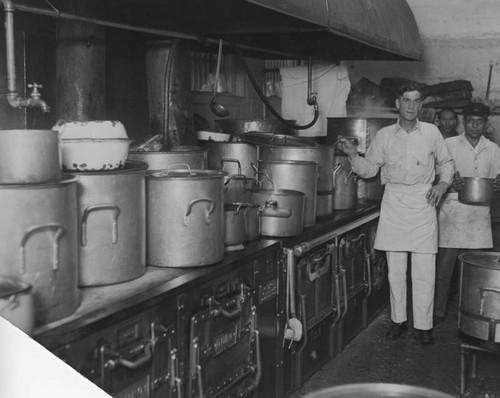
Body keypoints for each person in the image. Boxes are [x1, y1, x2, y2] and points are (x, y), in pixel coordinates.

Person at [338, 82, 455, 345]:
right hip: (394, 201)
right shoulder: (385, 136)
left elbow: (447, 163)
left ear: (421, 105)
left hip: (423, 201)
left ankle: (424, 327)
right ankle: (398, 321)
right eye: (407, 100)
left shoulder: (432, 133)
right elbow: (369, 169)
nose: (412, 106)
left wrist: (442, 184)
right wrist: (352, 154)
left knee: (425, 270)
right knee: (395, 270)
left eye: (416, 101)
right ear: (397, 104)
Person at [434, 103, 500, 324]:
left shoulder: (493, 149)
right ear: (463, 122)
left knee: (475, 269)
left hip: (479, 214)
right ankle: (438, 311)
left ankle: (470, 313)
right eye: (470, 120)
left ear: (486, 124)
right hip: (452, 211)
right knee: (445, 268)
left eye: (479, 121)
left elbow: (498, 176)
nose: (474, 125)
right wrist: (450, 181)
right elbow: (436, 173)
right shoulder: (449, 144)